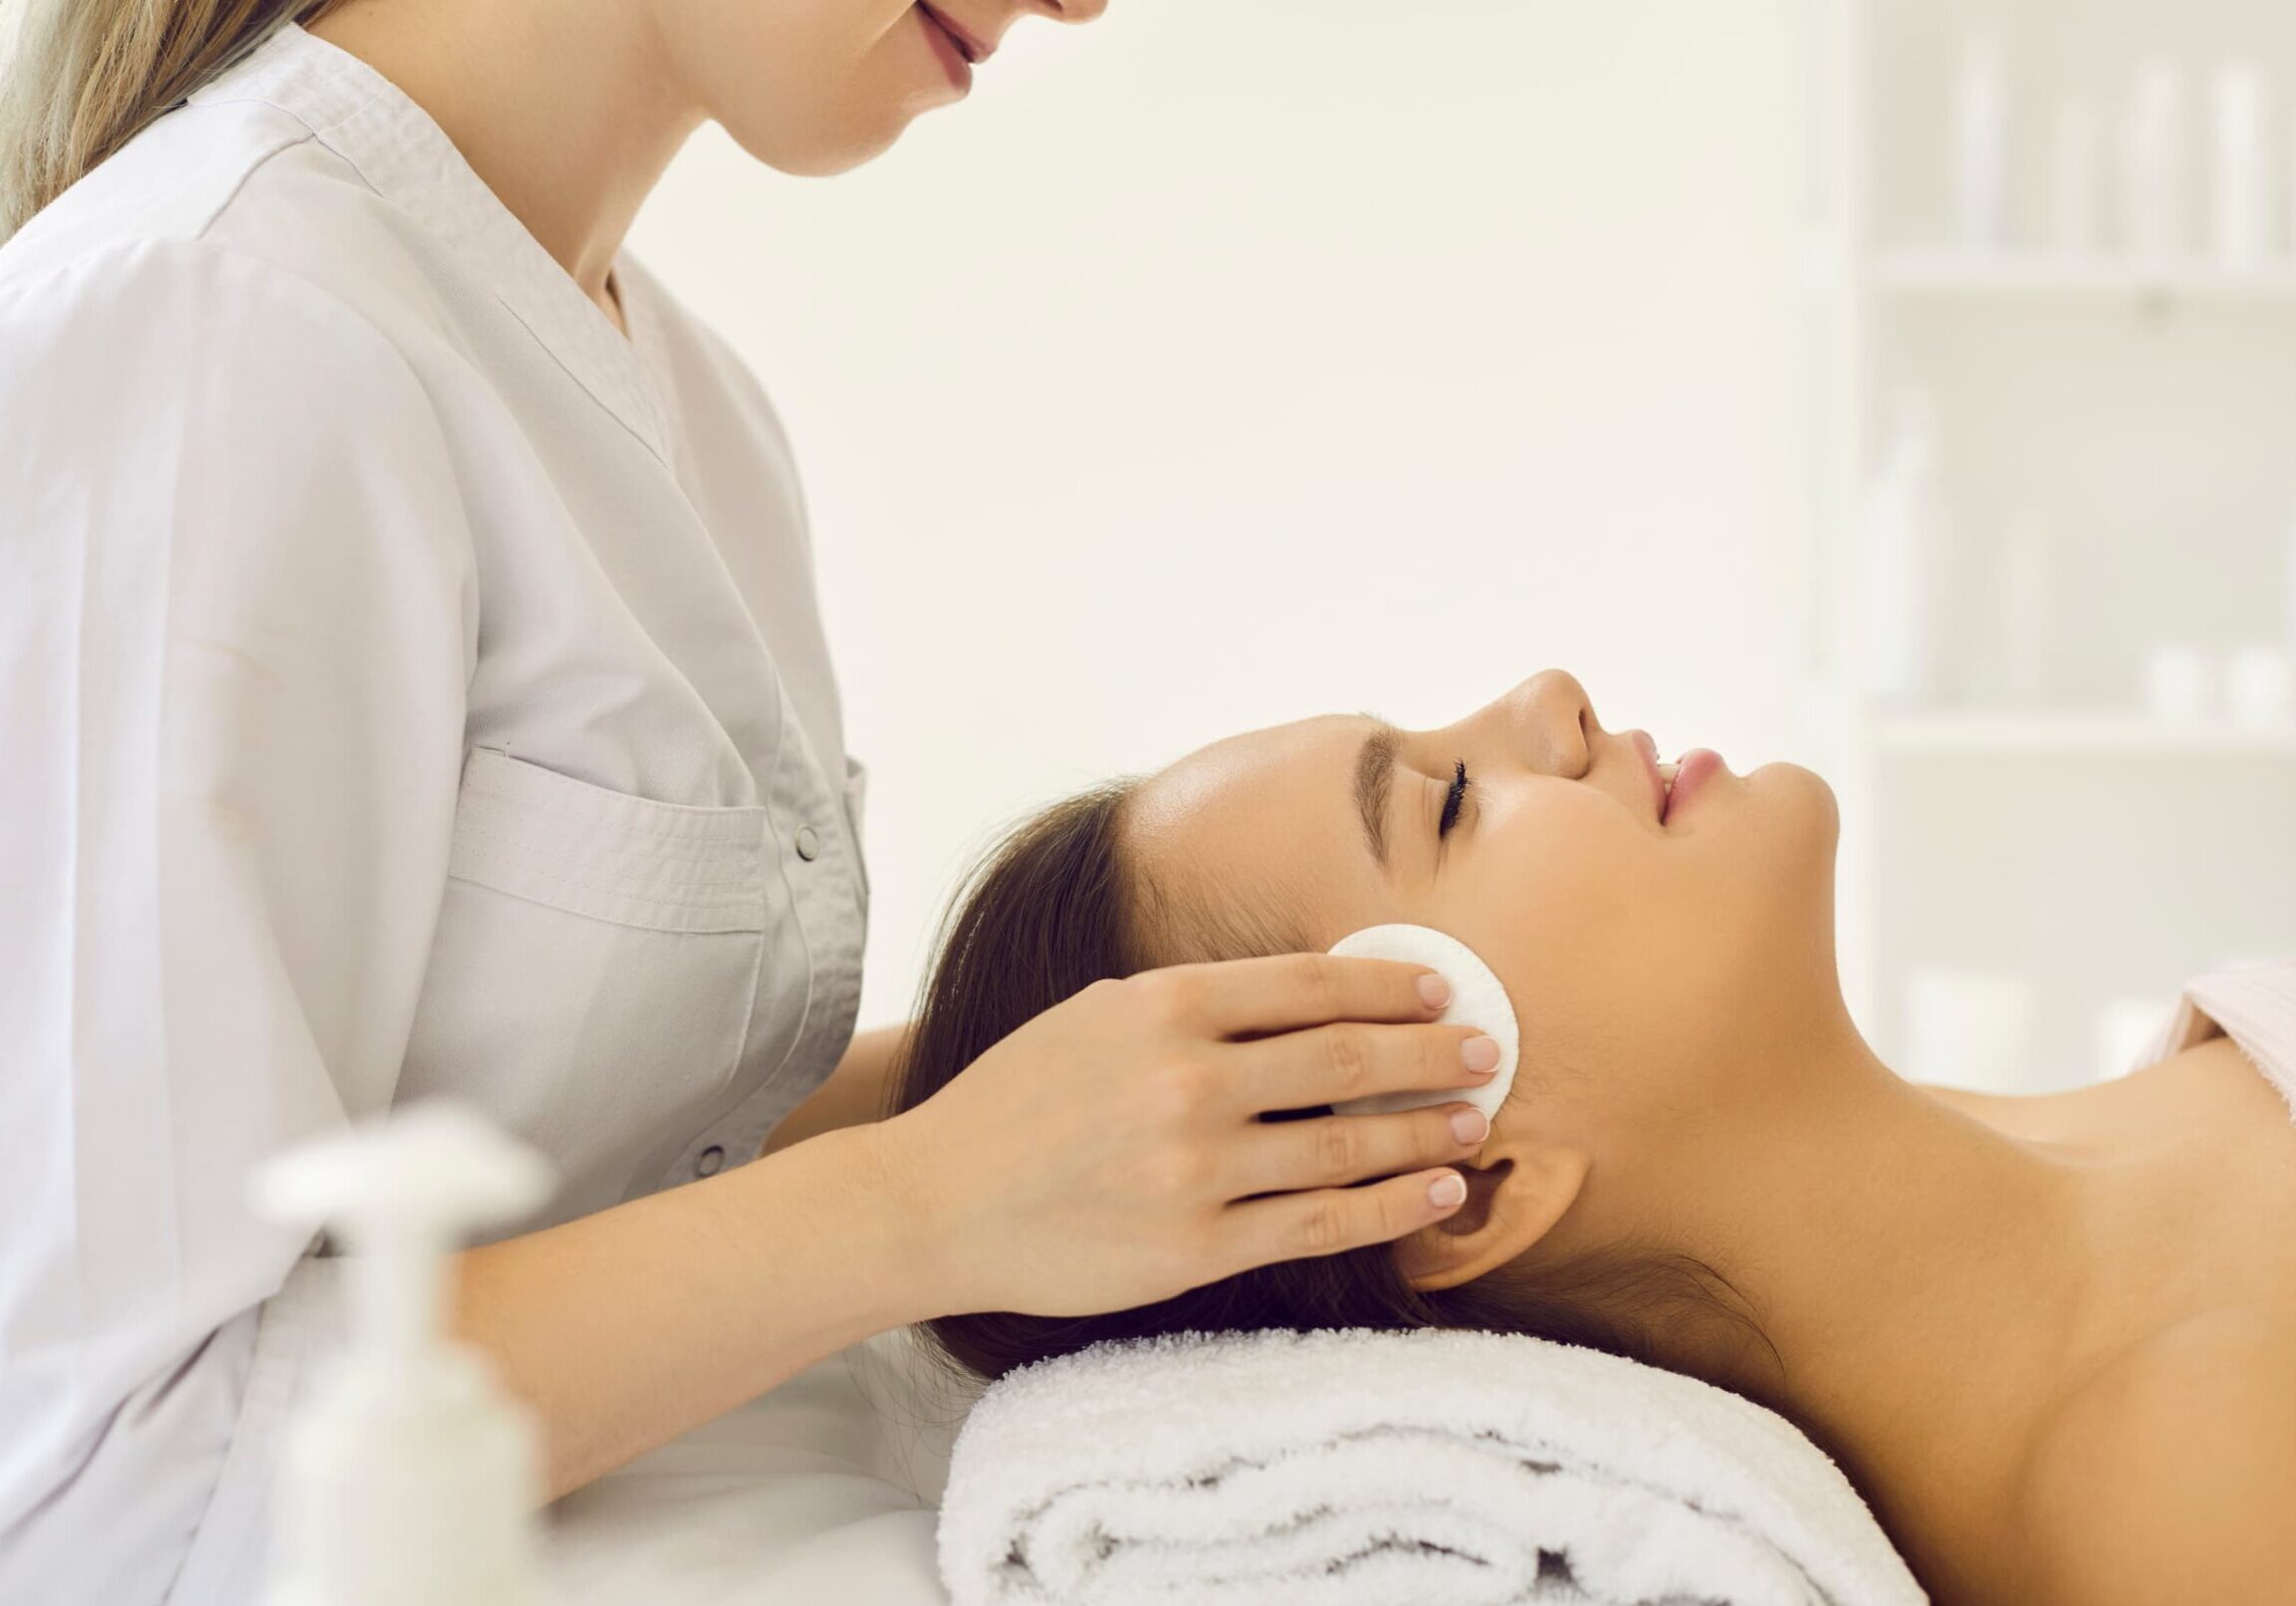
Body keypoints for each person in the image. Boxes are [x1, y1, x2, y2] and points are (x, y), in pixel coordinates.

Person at [0, 4, 1506, 1600]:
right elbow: (101, 1484)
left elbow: (618, 1160)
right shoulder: (221, 321)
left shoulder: (694, 410)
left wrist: (1152, 1081)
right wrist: (925, 1201)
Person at [886, 666, 2296, 1606]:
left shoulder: (2133, 1129)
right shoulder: (2187, 1485)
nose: (1547, 700)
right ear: (1467, 1184)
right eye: (1445, 803)